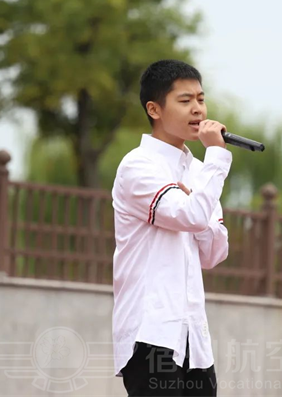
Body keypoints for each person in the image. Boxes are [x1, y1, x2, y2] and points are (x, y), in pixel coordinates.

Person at [111, 59, 232, 396]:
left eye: (201, 99)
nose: (198, 109)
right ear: (154, 109)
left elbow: (214, 252)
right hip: (151, 333)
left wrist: (200, 205)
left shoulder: (199, 170)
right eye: (185, 100)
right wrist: (216, 158)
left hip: (194, 338)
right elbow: (191, 216)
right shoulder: (138, 165)